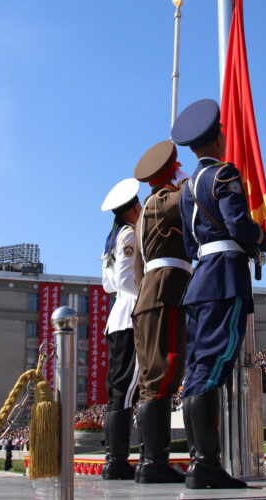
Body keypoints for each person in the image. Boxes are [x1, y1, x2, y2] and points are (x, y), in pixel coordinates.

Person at [172, 99, 266, 489]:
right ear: (217, 137)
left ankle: (200, 463)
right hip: (225, 279)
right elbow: (240, 227)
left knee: (197, 372)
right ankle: (206, 465)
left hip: (200, 281)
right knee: (211, 371)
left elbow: (192, 245)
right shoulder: (224, 175)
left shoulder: (186, 188)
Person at [130, 140, 191, 483]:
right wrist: (183, 179)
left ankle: (151, 461)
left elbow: (139, 270)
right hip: (164, 292)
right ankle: (153, 463)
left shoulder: (144, 213)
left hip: (151, 294)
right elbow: (192, 198)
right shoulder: (162, 201)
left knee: (154, 380)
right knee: (163, 375)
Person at [99, 178, 142, 480]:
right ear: (130, 210)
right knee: (126, 390)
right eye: (138, 205)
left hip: (117, 316)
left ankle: (114, 458)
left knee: (118, 390)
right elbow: (126, 280)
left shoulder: (112, 236)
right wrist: (148, 292)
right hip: (130, 315)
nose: (141, 209)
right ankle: (117, 461)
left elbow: (107, 283)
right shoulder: (128, 234)